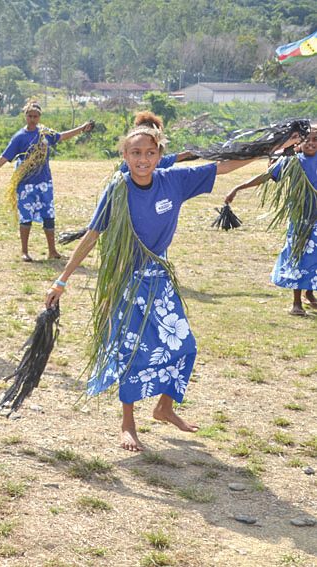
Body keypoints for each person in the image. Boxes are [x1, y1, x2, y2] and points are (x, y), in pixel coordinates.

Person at [44, 126, 290, 452]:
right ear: (125, 156)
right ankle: (127, 423)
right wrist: (62, 280)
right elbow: (91, 236)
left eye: (149, 153)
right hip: (126, 281)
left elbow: (222, 167)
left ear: (160, 155)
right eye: (136, 153)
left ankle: (164, 408)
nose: (143, 159)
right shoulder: (117, 190)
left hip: (159, 278)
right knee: (132, 352)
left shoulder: (173, 181)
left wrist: (266, 151)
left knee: (185, 346)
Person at [0, 100, 94, 261]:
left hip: (44, 182)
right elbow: (5, 157)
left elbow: (62, 136)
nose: (32, 119)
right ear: (25, 116)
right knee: (26, 217)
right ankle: (24, 251)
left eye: (35, 116)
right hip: (25, 184)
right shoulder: (19, 137)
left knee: (49, 216)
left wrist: (81, 129)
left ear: (39, 117)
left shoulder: (45, 134)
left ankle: (52, 250)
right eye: (30, 116)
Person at [225, 127, 317, 316]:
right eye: (306, 139)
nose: (311, 143)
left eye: (315, 139)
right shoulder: (292, 162)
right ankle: (296, 302)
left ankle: (310, 293)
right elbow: (266, 176)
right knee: (298, 255)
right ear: (297, 142)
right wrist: (238, 187)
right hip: (300, 218)